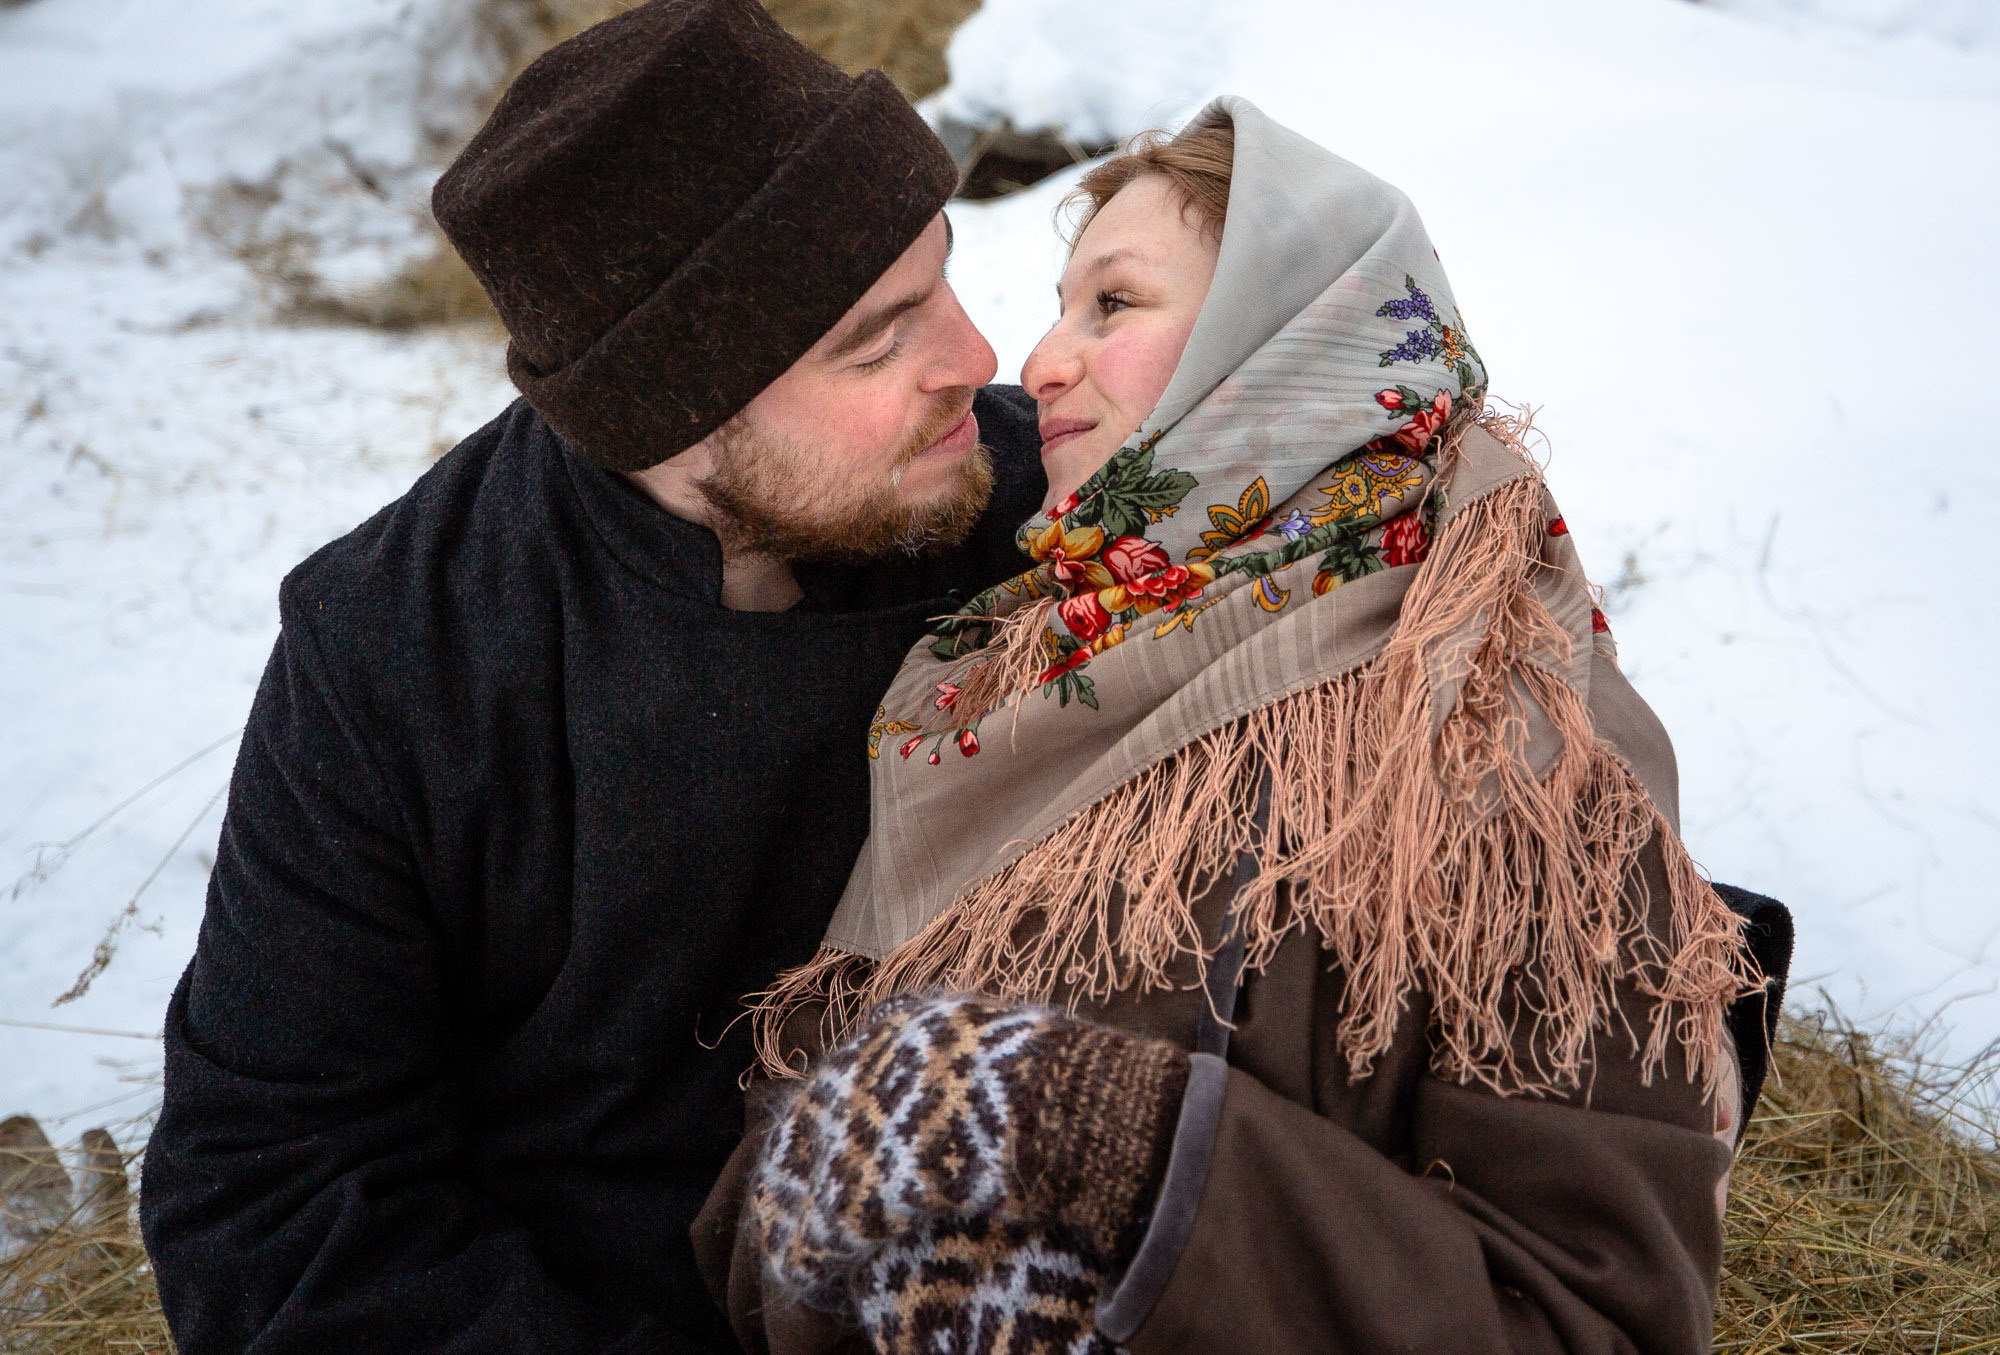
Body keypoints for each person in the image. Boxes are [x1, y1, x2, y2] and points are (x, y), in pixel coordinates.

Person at [697, 99, 1794, 1353]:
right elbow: (810, 1156)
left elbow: (1594, 1316)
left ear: (1286, 341)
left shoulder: (1503, 755)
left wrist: (1119, 1140)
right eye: (1061, 308)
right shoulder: (992, 677)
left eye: (1111, 304)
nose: (1037, 361)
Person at [136, 2, 1051, 1350]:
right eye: (877, 337)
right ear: (674, 407)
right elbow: (274, 1192)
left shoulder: (1044, 509)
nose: (975, 358)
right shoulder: (398, 650)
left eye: (944, 277)